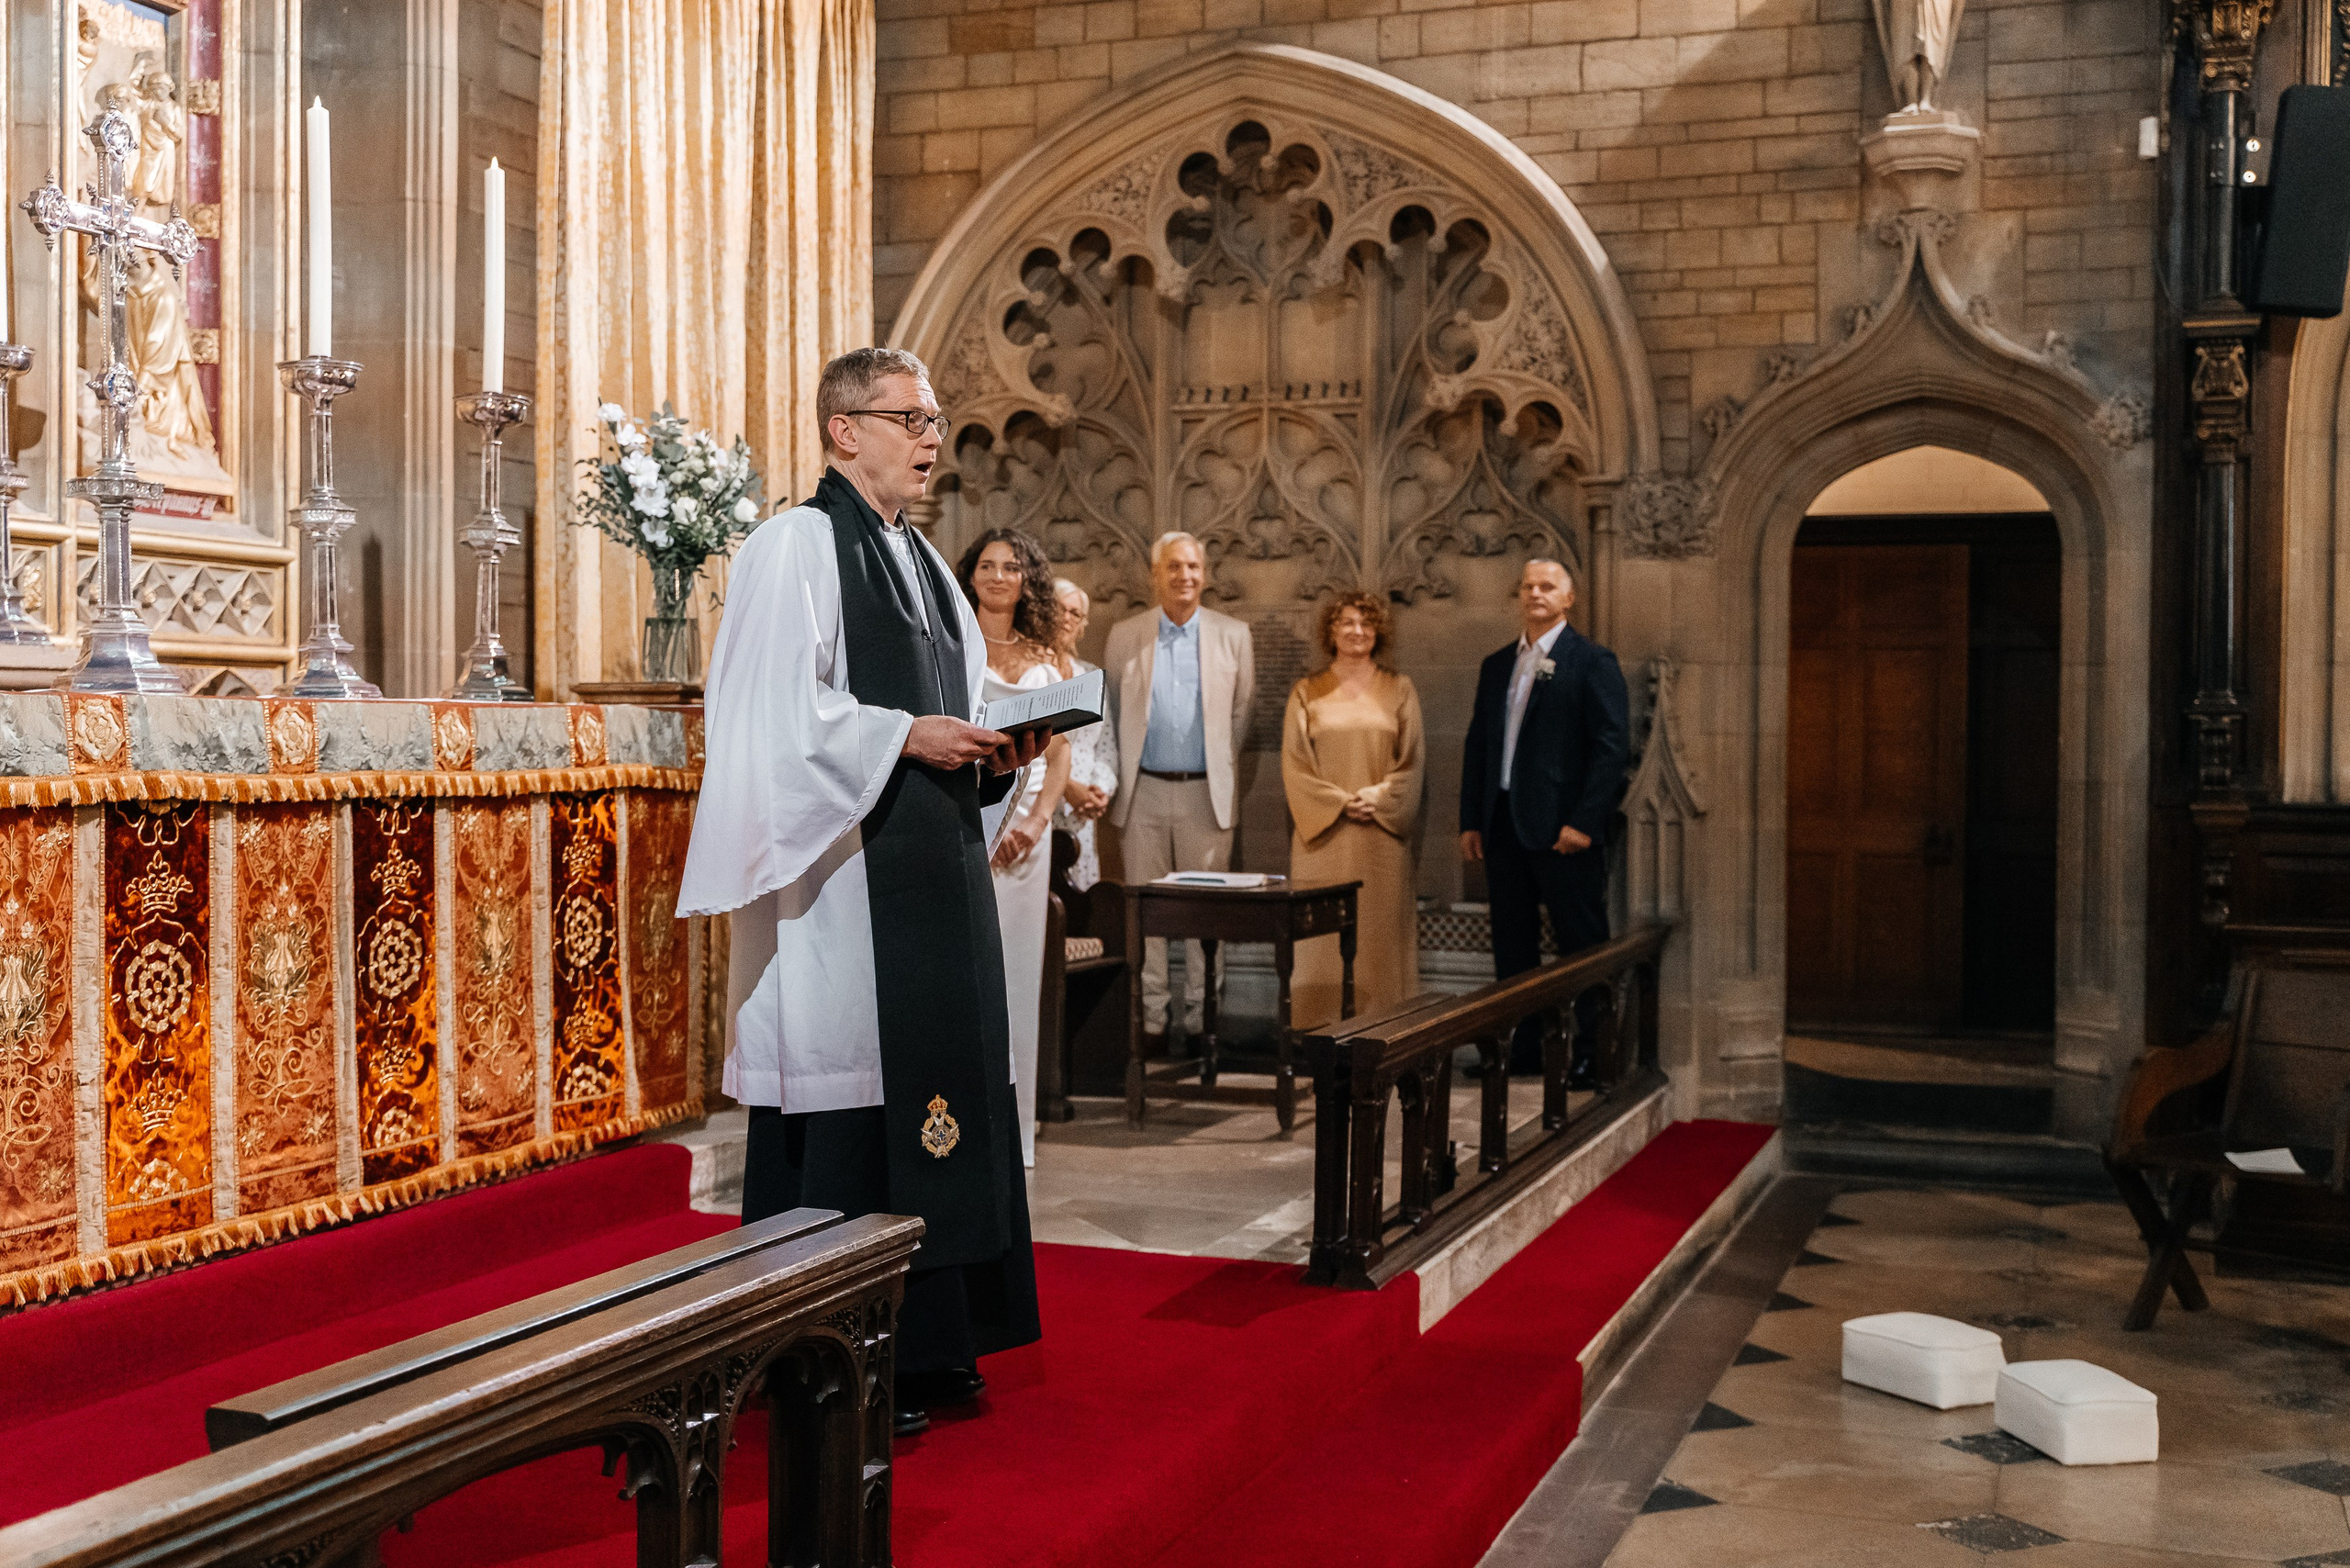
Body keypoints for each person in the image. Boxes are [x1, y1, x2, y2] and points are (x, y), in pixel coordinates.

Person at [677, 346, 1046, 1439]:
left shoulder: (924, 561)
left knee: (937, 1102)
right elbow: (771, 718)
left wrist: (996, 752)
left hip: (932, 874)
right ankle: (828, 1363)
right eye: (912, 417)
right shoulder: (797, 545)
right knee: (859, 1110)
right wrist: (902, 735)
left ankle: (927, 1347)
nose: (933, 437)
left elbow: (952, 708)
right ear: (845, 428)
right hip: (847, 886)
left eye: (936, 418)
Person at [1459, 558, 1628, 1082]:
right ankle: (1520, 1050)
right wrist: (1472, 819)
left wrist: (1583, 821)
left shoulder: (1591, 661)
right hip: (1504, 824)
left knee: (1581, 944)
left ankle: (1594, 1053)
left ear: (1568, 598)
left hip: (1564, 833)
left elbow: (1611, 749)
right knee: (1513, 945)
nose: (1536, 593)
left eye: (1547, 586)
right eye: (1528, 586)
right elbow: (1479, 747)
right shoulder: (1496, 664)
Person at [1102, 532, 1255, 1040]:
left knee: (1203, 914)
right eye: (1173, 567)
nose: (1183, 576)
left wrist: (1212, 771)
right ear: (1155, 574)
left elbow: (1239, 719)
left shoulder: (1234, 636)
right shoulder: (1126, 635)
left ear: (1205, 575)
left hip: (1203, 795)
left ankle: (1200, 1021)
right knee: (1144, 913)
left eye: (1192, 567)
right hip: (1141, 793)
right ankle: (1149, 1021)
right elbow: (1113, 717)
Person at [958, 529, 1071, 1170]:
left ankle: (1015, 1131)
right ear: (970, 574)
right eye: (988, 565)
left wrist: (1038, 819)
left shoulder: (1044, 655)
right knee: (967, 977)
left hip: (1027, 838)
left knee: (1017, 978)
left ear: (1027, 580)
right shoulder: (950, 642)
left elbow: (1060, 749)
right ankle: (960, 1128)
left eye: (1012, 567)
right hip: (967, 825)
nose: (999, 576)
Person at [1281, 591, 1425, 1028]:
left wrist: (1379, 798)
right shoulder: (1307, 691)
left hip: (1380, 838)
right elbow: (1295, 764)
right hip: (1322, 836)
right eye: (1346, 622)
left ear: (1378, 631)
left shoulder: (1400, 688)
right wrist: (1340, 803)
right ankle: (1318, 1030)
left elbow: (1413, 762)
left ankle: (1385, 1028)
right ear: (1330, 631)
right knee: (1320, 939)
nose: (1356, 631)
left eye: (1365, 623)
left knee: (1378, 937)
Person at [1049, 578, 1117, 890]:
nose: (1066, 618)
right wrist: (1067, 788)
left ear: (1082, 625)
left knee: (1079, 907)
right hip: (1040, 804)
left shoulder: (1091, 676)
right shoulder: (1028, 670)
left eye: (1074, 613)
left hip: (1082, 816)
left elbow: (1105, 746)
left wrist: (1098, 791)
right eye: (1058, 609)